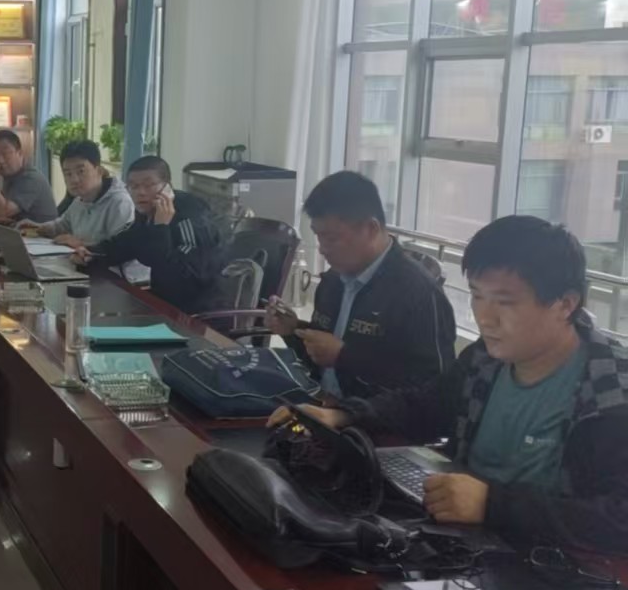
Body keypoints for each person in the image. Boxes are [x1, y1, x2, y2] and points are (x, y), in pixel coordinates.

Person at [269, 216, 628, 553]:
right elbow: (425, 405)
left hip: (552, 567)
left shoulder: (612, 391)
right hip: (466, 540)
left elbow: (617, 519)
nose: (484, 317)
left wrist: (491, 505)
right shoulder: (486, 358)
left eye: (505, 302)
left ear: (565, 304)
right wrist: (343, 416)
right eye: (477, 295)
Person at [265, 170, 455, 401]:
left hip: (371, 420)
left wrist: (344, 357)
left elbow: (434, 389)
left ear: (371, 229)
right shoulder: (333, 280)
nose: (322, 249)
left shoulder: (418, 293)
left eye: (331, 238)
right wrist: (294, 330)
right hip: (319, 403)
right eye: (318, 236)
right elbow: (321, 363)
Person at [75, 155, 229, 315]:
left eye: (149, 185)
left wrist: (161, 227)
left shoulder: (189, 217)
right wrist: (90, 253)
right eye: (133, 186)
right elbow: (124, 244)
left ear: (167, 187)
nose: (140, 192)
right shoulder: (147, 213)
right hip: (164, 303)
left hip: (198, 313)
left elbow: (180, 280)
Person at [32, 140, 134, 249]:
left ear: (99, 171)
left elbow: (120, 249)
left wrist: (81, 244)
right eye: (68, 174)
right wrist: (39, 228)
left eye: (81, 171)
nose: (74, 180)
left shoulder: (120, 203)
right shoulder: (79, 200)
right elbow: (62, 225)